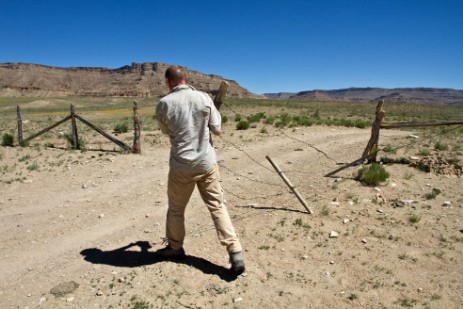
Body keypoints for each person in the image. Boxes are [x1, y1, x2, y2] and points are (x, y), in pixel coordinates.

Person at [155, 65, 245, 273]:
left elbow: (166, 131)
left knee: (176, 209)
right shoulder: (204, 98)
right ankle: (235, 251)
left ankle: (175, 247)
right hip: (206, 163)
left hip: (181, 166)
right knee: (217, 205)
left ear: (168, 82)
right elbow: (217, 130)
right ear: (186, 79)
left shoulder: (164, 104)